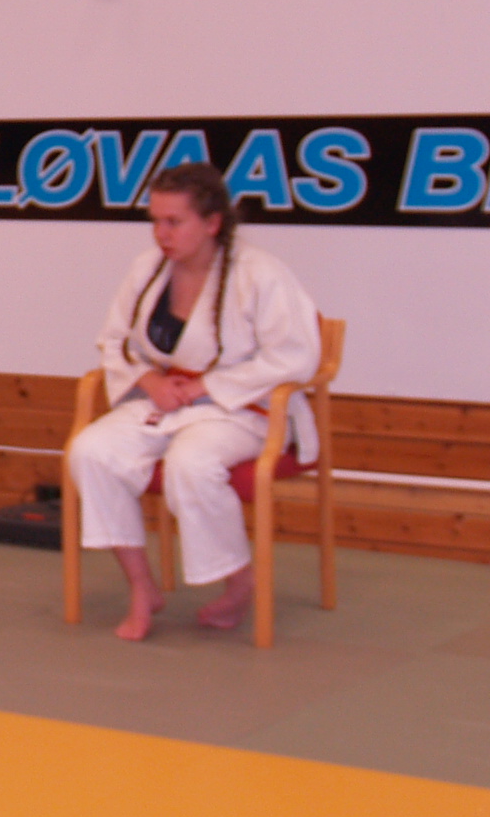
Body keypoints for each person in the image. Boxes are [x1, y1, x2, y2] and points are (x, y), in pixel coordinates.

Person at [67, 162, 323, 643]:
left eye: (174, 222)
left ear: (212, 222)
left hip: (242, 407)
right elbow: (115, 339)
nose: (161, 234)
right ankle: (141, 587)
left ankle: (240, 583)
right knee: (91, 451)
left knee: (191, 463)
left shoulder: (259, 273)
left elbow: (295, 355)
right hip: (169, 400)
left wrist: (208, 387)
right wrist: (149, 379)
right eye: (155, 221)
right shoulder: (147, 269)